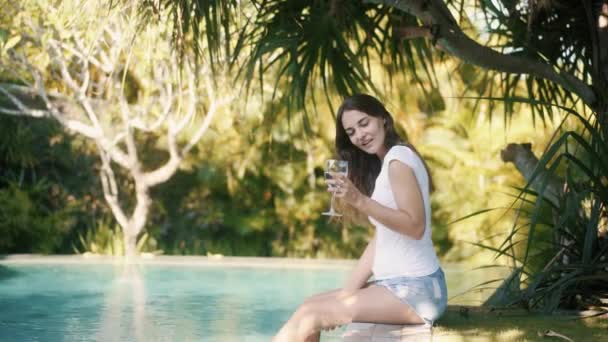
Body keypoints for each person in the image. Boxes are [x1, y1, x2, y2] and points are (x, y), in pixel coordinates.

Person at [273, 94, 448, 342]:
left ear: (383, 119)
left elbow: (415, 226)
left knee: (313, 314)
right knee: (310, 305)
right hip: (396, 285)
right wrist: (347, 294)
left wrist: (360, 201)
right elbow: (382, 240)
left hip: (418, 290)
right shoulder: (388, 163)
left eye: (364, 123)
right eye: (351, 131)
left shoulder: (398, 160)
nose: (360, 135)